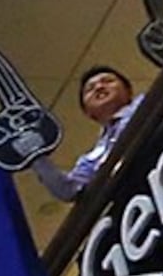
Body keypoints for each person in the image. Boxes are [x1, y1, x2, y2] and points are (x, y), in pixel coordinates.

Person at [26, 62, 133, 204]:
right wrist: (35, 156)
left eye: (108, 81)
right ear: (88, 113)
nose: (99, 87)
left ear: (129, 90)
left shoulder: (152, 102)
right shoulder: (90, 160)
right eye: (90, 89)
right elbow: (68, 190)